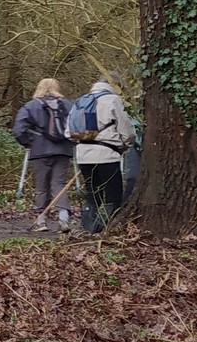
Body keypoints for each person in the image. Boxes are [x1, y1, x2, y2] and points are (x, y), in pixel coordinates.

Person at [13, 77, 74, 233]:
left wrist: (27, 143)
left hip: (39, 150)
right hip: (62, 150)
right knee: (59, 184)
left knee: (41, 186)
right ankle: (63, 217)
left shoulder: (31, 106)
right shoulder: (68, 105)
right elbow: (77, 124)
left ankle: (41, 220)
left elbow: (19, 129)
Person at [71, 79, 132, 233]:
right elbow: (127, 129)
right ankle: (100, 229)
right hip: (107, 155)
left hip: (83, 155)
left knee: (92, 195)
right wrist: (125, 144)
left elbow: (69, 132)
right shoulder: (113, 100)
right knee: (113, 196)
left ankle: (87, 229)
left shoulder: (80, 101)